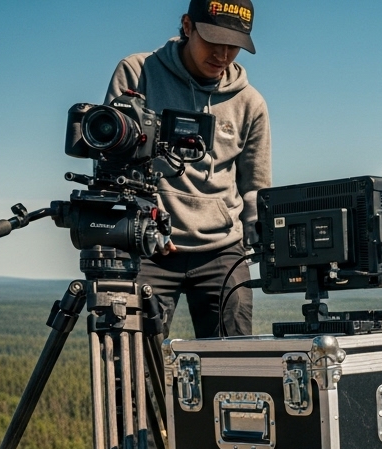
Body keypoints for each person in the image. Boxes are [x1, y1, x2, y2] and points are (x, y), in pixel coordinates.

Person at [106, 0, 270, 338]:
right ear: (186, 26)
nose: (223, 54)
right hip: (148, 247)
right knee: (132, 363)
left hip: (222, 251)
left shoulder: (250, 103)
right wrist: (146, 220)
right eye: (213, 40)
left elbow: (254, 188)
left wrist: (265, 240)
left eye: (233, 46)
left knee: (235, 363)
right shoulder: (138, 72)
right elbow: (112, 162)